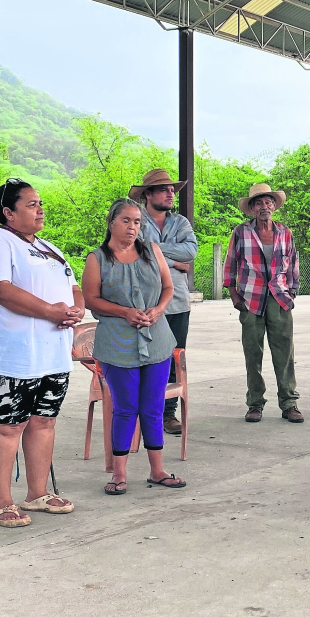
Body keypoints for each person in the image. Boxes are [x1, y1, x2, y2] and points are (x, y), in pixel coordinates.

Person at [0, 179, 82, 527]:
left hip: (52, 354)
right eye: (32, 204)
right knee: (8, 426)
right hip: (13, 356)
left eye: (40, 203)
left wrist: (76, 310)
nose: (40, 209)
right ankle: (1, 501)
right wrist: (51, 311)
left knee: (44, 423)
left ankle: (37, 493)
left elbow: (74, 286)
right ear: (8, 212)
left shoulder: (49, 248)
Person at [82, 198, 185, 495]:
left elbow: (169, 287)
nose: (132, 226)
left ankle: (158, 470)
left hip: (157, 341)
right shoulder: (97, 258)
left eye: (137, 221)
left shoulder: (152, 251)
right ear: (112, 222)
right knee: (126, 409)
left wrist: (158, 309)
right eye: (126, 220)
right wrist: (124, 311)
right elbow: (91, 299)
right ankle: (119, 474)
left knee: (152, 408)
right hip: (117, 342)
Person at [223, 183, 304, 424]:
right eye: (258, 202)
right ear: (251, 208)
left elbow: (293, 261)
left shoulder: (284, 232)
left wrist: (292, 293)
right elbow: (231, 263)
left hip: (279, 298)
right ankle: (255, 403)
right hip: (250, 298)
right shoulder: (241, 232)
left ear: (274, 206)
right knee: (253, 353)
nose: (264, 206)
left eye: (268, 202)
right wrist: (234, 294)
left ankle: (289, 403)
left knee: (284, 353)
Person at [130, 169, 197, 437]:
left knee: (173, 359)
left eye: (172, 190)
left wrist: (153, 249)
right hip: (143, 302)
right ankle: (139, 413)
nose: (170, 193)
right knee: (142, 358)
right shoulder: (134, 218)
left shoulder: (180, 222)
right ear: (147, 194)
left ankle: (167, 414)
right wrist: (175, 261)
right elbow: (130, 249)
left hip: (178, 303)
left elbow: (191, 252)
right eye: (163, 189)